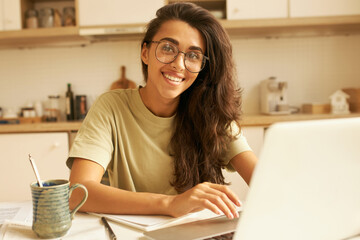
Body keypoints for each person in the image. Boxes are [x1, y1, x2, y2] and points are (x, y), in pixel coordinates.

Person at [67, 2, 258, 220]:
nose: (179, 64)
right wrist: (170, 204)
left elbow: (266, 183)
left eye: (193, 55)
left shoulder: (213, 115)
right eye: (168, 48)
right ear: (146, 53)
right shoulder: (111, 107)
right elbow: (78, 193)